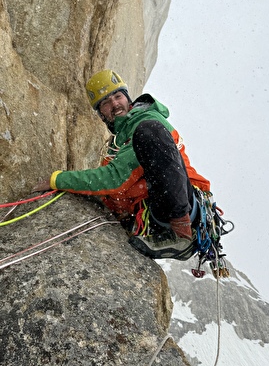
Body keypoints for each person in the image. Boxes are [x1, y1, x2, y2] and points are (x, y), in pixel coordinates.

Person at [33, 69, 210, 259]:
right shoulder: (116, 145)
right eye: (106, 103)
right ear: (101, 114)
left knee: (149, 131)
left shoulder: (146, 121)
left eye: (118, 96)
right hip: (153, 212)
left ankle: (181, 234)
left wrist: (57, 179)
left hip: (181, 206)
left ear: (128, 98)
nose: (115, 104)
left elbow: (114, 178)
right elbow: (112, 189)